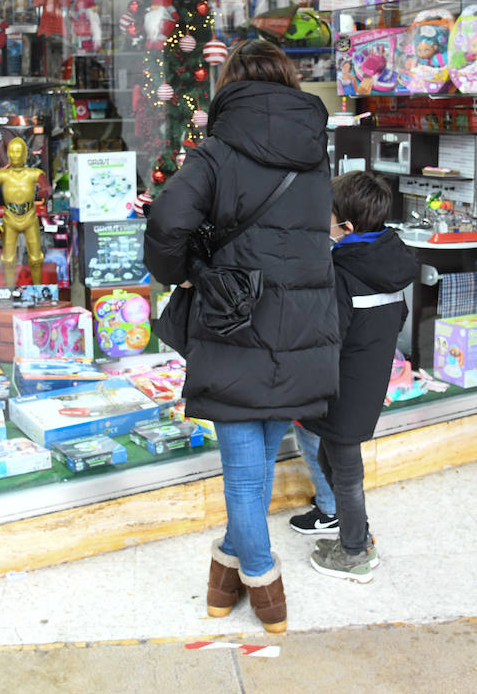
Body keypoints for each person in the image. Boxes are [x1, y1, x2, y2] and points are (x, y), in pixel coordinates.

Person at [145, 39, 339, 634]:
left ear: (230, 85)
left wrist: (184, 273)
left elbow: (167, 220)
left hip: (233, 320)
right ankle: (222, 578)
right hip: (303, 328)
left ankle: (263, 582)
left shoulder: (219, 150)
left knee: (244, 469)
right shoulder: (315, 153)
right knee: (257, 454)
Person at [299, 171, 417, 582]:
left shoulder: (342, 271)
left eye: (329, 215)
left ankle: (354, 554)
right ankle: (357, 536)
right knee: (327, 458)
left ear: (346, 227)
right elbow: (397, 315)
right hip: (366, 380)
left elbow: (327, 334)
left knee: (345, 472)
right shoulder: (388, 258)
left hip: (344, 387)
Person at [288, 425, 339, 536]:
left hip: (310, 411)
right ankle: (332, 498)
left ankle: (329, 512)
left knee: (316, 454)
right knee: (326, 449)